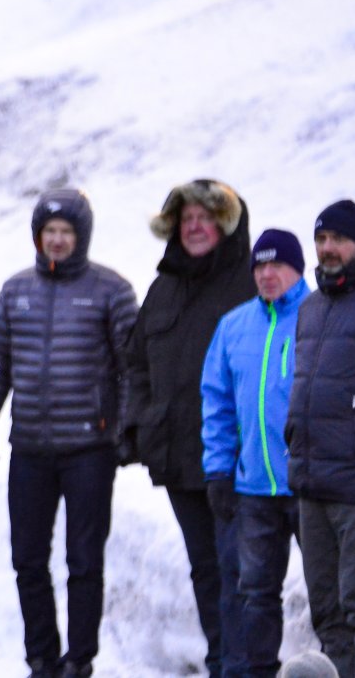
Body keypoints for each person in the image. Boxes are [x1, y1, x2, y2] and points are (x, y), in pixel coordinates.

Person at [0, 189, 139, 678]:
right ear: (37, 236)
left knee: (83, 560)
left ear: (81, 236)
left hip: (90, 449)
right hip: (31, 451)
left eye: (66, 232)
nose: (57, 241)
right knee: (28, 559)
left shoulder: (111, 289)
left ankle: (79, 658)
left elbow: (132, 369)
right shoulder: (15, 290)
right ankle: (41, 658)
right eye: (49, 232)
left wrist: (127, 430)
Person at [123, 179, 253, 677]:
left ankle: (244, 664)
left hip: (237, 459)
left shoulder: (247, 282)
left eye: (205, 217)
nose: (194, 226)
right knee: (206, 568)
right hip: (178, 456)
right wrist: (140, 424)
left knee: (237, 567)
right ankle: (222, 659)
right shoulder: (164, 287)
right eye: (186, 218)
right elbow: (136, 363)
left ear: (224, 224)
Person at [201, 228, 309, 678]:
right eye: (259, 266)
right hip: (253, 489)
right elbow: (218, 404)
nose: (267, 274)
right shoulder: (233, 325)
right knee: (256, 594)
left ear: (297, 269)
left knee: (331, 594)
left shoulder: (319, 316)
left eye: (276, 264)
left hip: (312, 485)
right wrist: (219, 470)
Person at [288, 200, 355, 678]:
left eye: (338, 238)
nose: (328, 248)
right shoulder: (312, 306)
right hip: (312, 483)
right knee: (328, 615)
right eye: (321, 240)